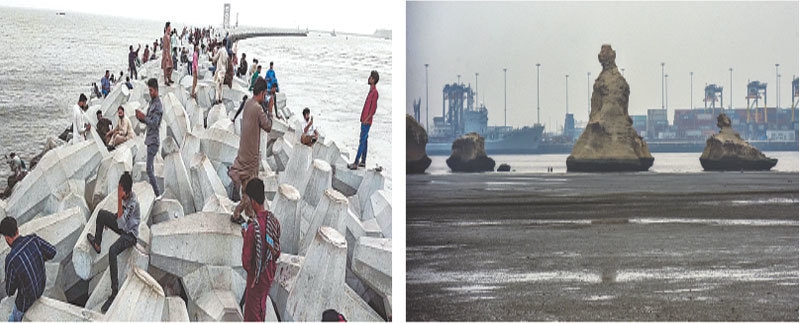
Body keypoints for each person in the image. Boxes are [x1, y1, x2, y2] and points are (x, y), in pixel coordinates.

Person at [86, 172, 139, 313]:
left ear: (126, 191)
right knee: (102, 214)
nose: (118, 190)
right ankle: (97, 243)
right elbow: (119, 217)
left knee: (112, 251)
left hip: (130, 235)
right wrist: (110, 220)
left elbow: (122, 224)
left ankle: (114, 292)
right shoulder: (127, 197)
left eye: (120, 189)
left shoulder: (133, 203)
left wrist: (118, 200)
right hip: (124, 225)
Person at [228, 77, 272, 224]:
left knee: (246, 187)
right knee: (251, 191)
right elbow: (268, 126)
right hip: (252, 157)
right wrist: (270, 110)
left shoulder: (247, 103)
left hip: (243, 152)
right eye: (265, 94)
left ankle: (249, 213)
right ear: (262, 92)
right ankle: (237, 213)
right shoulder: (258, 109)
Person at [1, 217, 56, 321]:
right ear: (17, 230)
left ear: (7, 238)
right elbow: (52, 251)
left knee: (12, 319)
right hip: (40, 288)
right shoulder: (33, 239)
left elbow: (10, 291)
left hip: (26, 302)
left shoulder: (11, 259)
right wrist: (38, 258)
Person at [241, 178, 280, 322]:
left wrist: (246, 237)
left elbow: (246, 263)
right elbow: (276, 250)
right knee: (261, 306)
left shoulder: (253, 229)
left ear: (253, 201)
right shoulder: (273, 221)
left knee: (252, 313)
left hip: (256, 280)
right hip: (268, 275)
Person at [135, 79, 163, 198]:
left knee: (149, 169)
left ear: (156, 90)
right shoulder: (152, 103)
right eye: (149, 90)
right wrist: (140, 117)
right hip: (149, 139)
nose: (150, 92)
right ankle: (154, 191)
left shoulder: (158, 106)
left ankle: (157, 194)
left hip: (154, 140)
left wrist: (144, 118)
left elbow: (155, 123)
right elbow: (148, 120)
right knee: (150, 168)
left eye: (151, 90)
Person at [348, 71, 379, 170]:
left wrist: (367, 119)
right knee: (365, 140)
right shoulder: (371, 91)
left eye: (370, 77)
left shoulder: (374, 93)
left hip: (366, 121)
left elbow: (373, 109)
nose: (368, 78)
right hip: (364, 120)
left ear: (373, 80)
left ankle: (356, 163)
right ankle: (363, 161)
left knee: (362, 141)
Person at [162, 22, 174, 86]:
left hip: (169, 54)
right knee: (166, 68)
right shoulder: (165, 36)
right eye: (170, 27)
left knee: (171, 66)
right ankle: (165, 80)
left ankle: (169, 78)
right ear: (167, 27)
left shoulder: (168, 35)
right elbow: (165, 47)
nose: (170, 28)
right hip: (166, 54)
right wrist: (166, 56)